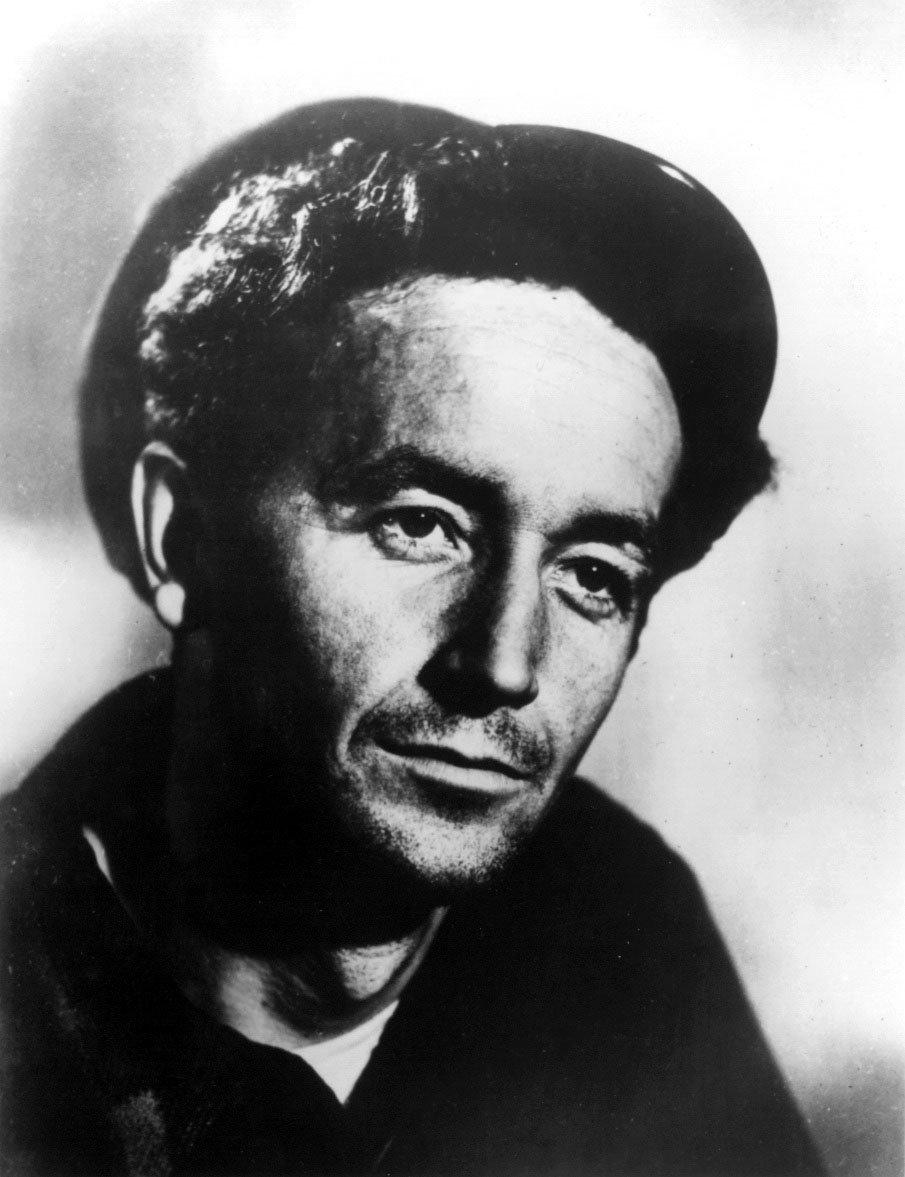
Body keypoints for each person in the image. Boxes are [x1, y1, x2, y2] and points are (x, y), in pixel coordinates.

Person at [0, 98, 825, 1176]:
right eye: (420, 524)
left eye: (592, 574)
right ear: (181, 539)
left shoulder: (609, 915)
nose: (504, 663)